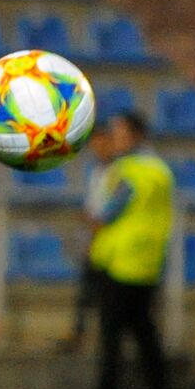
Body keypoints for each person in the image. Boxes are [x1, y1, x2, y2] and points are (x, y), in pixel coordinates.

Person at [82, 111, 175, 389]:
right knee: (144, 331)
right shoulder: (160, 170)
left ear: (135, 135)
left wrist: (92, 222)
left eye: (119, 133)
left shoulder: (126, 171)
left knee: (112, 334)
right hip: (148, 261)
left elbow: (106, 212)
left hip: (119, 260)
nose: (113, 138)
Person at [58, 129, 117, 352]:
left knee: (106, 293)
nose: (98, 149)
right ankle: (80, 333)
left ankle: (99, 335)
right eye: (95, 145)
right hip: (94, 239)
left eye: (103, 144)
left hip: (111, 241)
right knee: (86, 290)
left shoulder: (119, 172)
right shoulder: (95, 171)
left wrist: (96, 223)